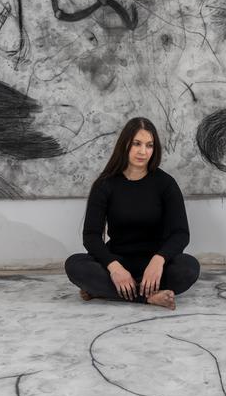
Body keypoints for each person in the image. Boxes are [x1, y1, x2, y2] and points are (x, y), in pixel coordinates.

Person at [64, 117, 201, 309]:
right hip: (118, 260)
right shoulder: (105, 184)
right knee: (74, 265)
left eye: (149, 145)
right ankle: (148, 297)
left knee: (189, 268)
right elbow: (91, 236)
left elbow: (181, 233)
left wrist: (159, 260)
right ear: (125, 144)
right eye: (137, 143)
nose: (143, 151)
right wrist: (114, 268)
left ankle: (104, 290)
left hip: (155, 264)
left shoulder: (166, 184)